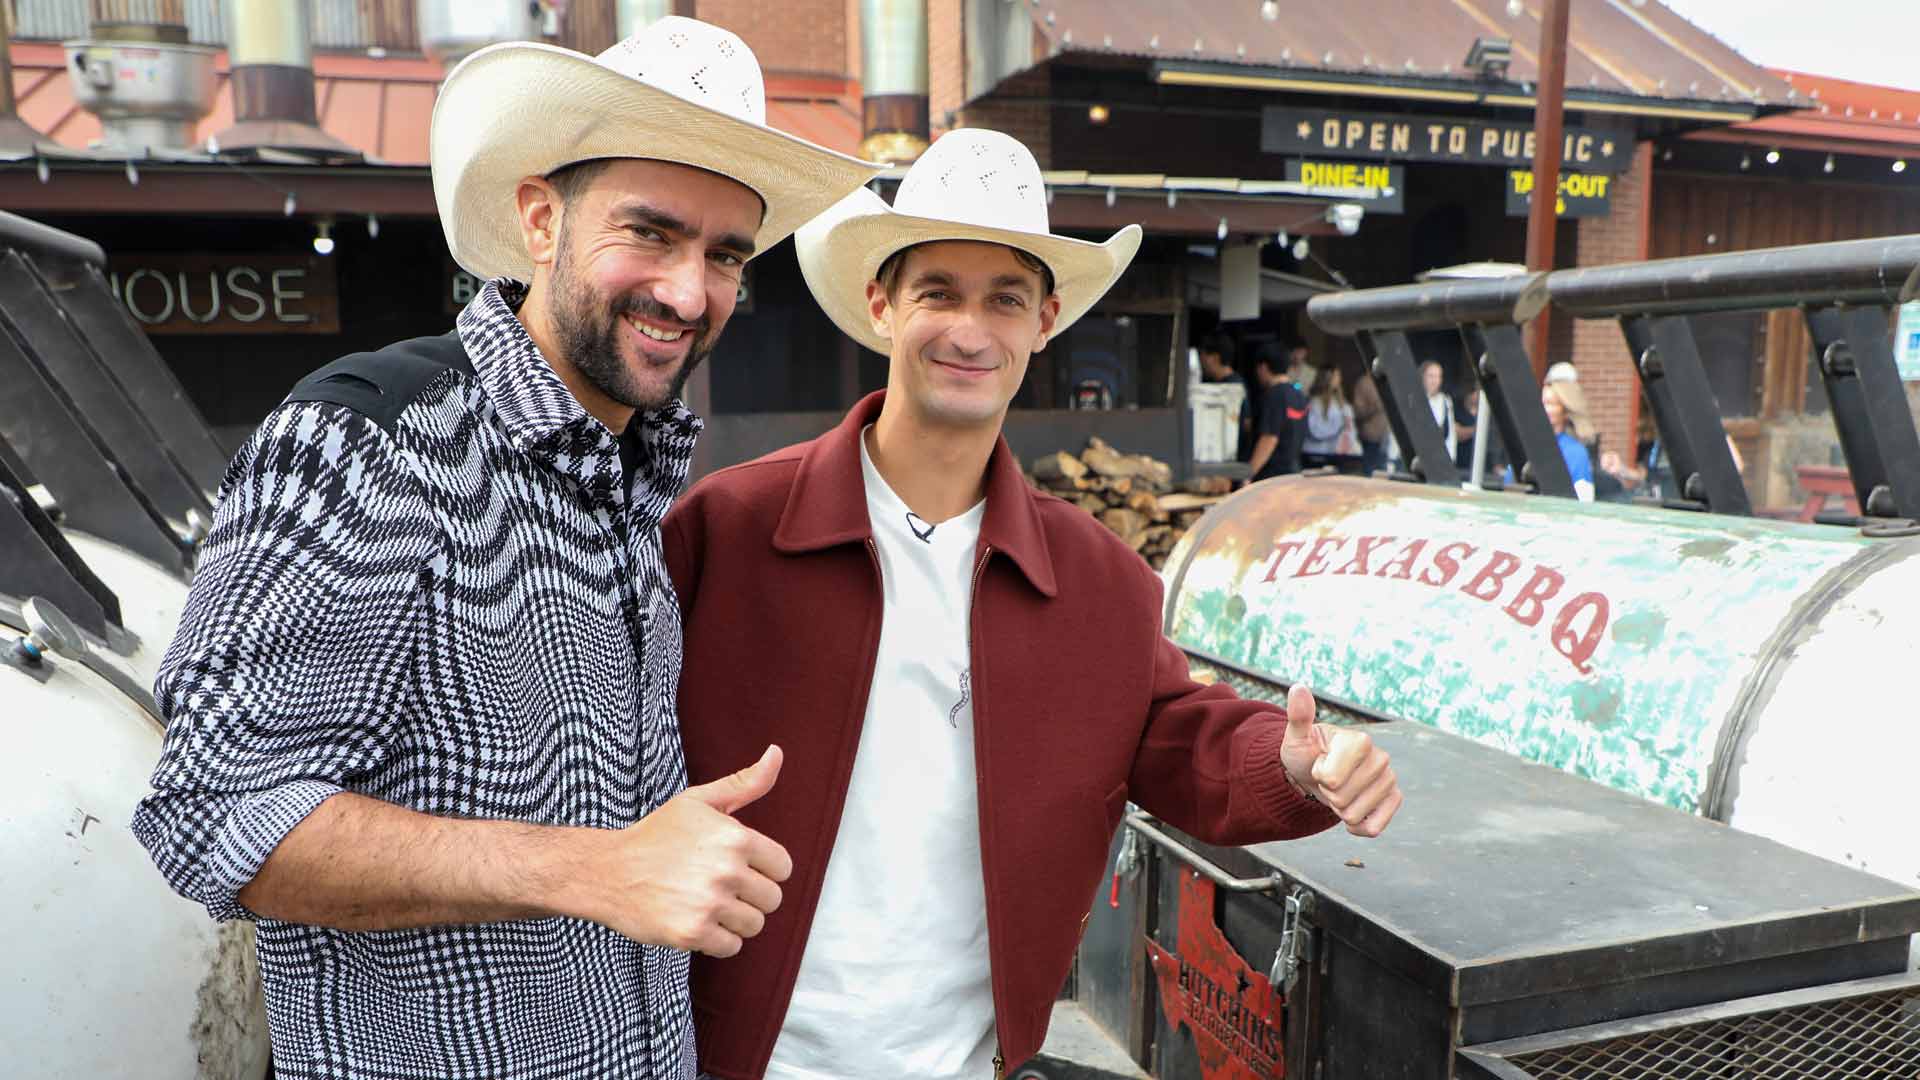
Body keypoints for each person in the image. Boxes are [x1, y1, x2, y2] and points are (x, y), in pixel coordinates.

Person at [130, 18, 880, 1080]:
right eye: (651, 234)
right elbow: (212, 810)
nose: (687, 291)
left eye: (724, 256)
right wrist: (597, 868)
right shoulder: (370, 443)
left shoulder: (631, 476)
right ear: (540, 219)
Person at [662, 128, 1403, 1080]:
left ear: (1045, 321)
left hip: (973, 1061)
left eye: (1005, 299)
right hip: (732, 1055)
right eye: (938, 292)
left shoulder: (1101, 580)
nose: (971, 330)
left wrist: (1292, 765)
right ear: (881, 304)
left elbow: (1171, 734)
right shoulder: (728, 530)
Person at [1250, 342, 1311, 481]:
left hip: (1271, 477)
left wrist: (1248, 474)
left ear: (1263, 367)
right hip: (1294, 473)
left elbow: (1269, 439)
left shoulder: (1274, 395)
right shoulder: (1299, 396)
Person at [1198, 332, 1253, 460]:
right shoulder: (1219, 383)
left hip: (1231, 459)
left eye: (1203, 354)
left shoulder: (1234, 386)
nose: (1201, 360)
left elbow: (1246, 424)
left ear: (1215, 357)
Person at [1302, 364, 1357, 465]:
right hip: (1315, 454)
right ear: (1327, 378)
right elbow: (1315, 431)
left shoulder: (1341, 402)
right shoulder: (1314, 402)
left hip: (1336, 454)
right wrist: (1340, 424)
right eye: (1336, 376)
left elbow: (1350, 430)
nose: (1339, 379)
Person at [1348, 363, 1390, 475]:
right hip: (1371, 437)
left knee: (1385, 473)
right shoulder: (1364, 382)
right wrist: (1375, 407)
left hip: (1387, 437)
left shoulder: (1389, 381)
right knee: (1370, 472)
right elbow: (1358, 412)